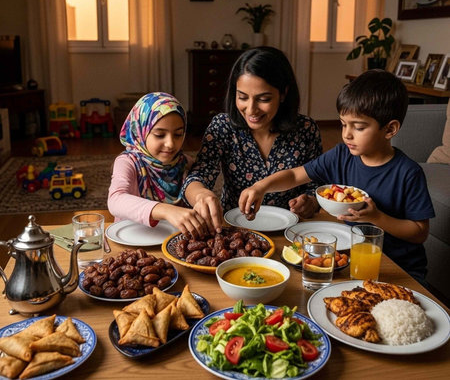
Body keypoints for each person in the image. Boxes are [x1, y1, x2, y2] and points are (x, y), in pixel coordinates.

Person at [239, 70, 435, 283]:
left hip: (399, 270)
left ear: (390, 129)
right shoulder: (342, 155)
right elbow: (295, 175)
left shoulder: (408, 173)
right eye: (343, 124)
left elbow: (419, 232)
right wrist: (261, 186)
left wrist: (376, 218)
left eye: (358, 127)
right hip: (353, 259)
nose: (347, 134)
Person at [182, 46, 323, 233]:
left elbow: (318, 183)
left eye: (263, 99)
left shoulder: (305, 129)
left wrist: (311, 201)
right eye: (242, 97)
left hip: (290, 230)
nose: (251, 109)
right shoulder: (223, 126)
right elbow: (198, 175)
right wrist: (201, 195)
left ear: (283, 93)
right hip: (233, 228)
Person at [108, 92, 207, 238]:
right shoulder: (128, 162)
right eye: (160, 135)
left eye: (178, 134)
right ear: (141, 131)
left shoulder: (186, 163)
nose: (170, 143)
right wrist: (166, 210)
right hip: (131, 240)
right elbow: (115, 200)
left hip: (173, 241)